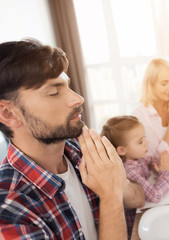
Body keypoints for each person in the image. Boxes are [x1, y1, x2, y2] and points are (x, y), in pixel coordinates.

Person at [0, 39, 144, 239]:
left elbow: (139, 198)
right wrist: (111, 196)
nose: (78, 98)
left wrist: (117, 182)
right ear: (8, 114)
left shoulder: (79, 149)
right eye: (54, 92)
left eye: (67, 86)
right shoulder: (9, 213)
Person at [101, 116, 169, 238]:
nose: (146, 143)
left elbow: (150, 161)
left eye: (145, 138)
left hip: (147, 213)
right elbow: (155, 195)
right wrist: (165, 172)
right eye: (140, 141)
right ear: (122, 150)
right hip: (135, 226)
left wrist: (159, 166)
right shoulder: (127, 170)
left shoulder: (135, 157)